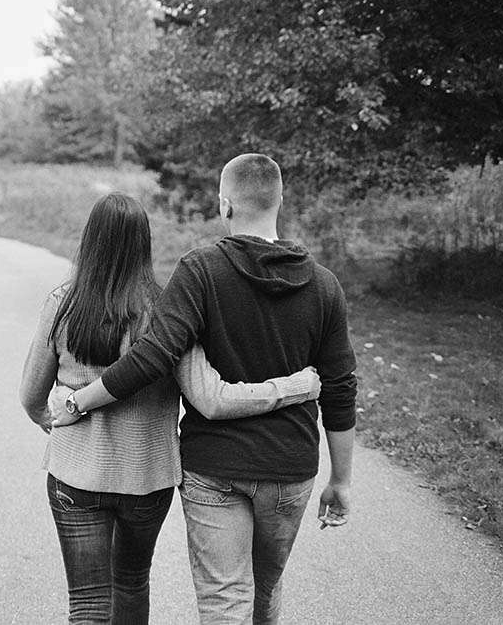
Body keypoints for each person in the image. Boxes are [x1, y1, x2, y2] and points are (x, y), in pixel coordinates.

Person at [54, 155, 358, 625]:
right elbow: (340, 388)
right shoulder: (324, 286)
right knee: (265, 587)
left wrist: (80, 400)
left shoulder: (200, 272)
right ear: (281, 199)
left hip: (214, 467)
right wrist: (340, 479)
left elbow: (153, 355)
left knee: (224, 599)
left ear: (225, 204)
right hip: (290, 465)